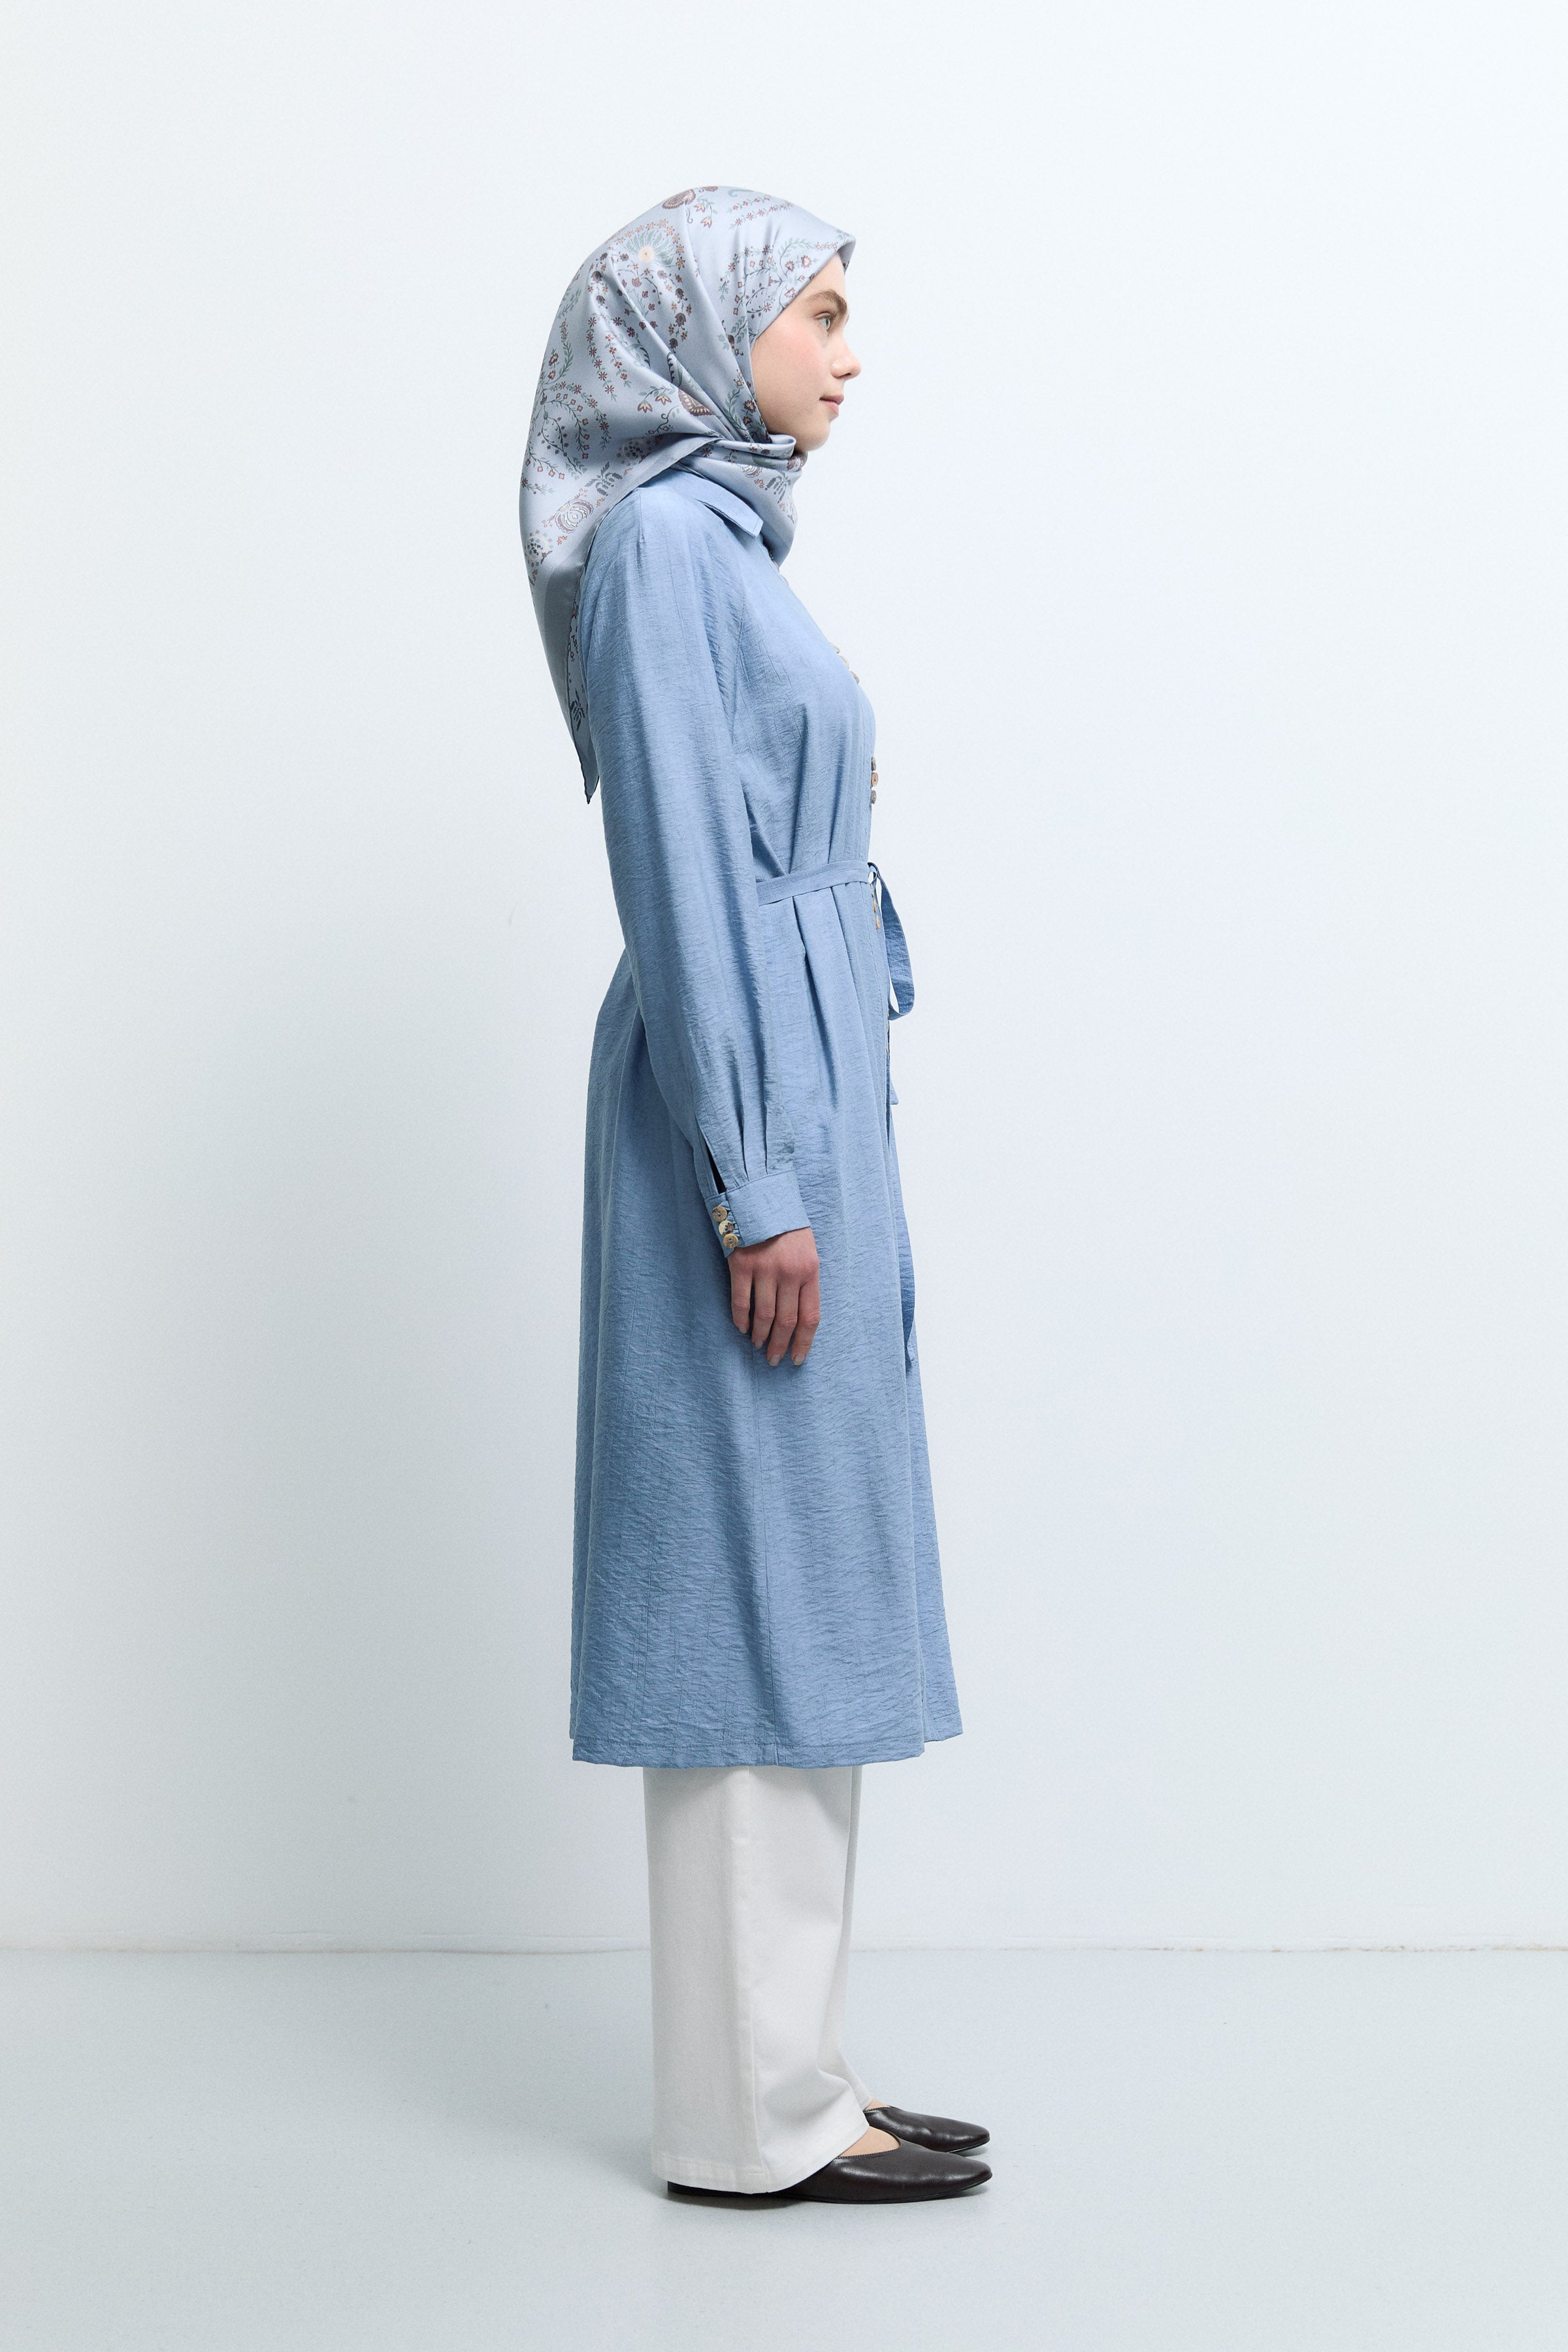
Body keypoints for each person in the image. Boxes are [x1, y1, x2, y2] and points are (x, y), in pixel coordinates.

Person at [521, 187, 989, 2206]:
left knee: (805, 1571)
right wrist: (753, 1177)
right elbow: (680, 881)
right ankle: (749, 2120)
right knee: (738, 1578)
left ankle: (799, 2076)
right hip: (750, 1103)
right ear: (706, 334)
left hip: (803, 1079)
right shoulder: (659, 550)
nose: (847, 352)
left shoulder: (724, 539)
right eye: (815, 312)